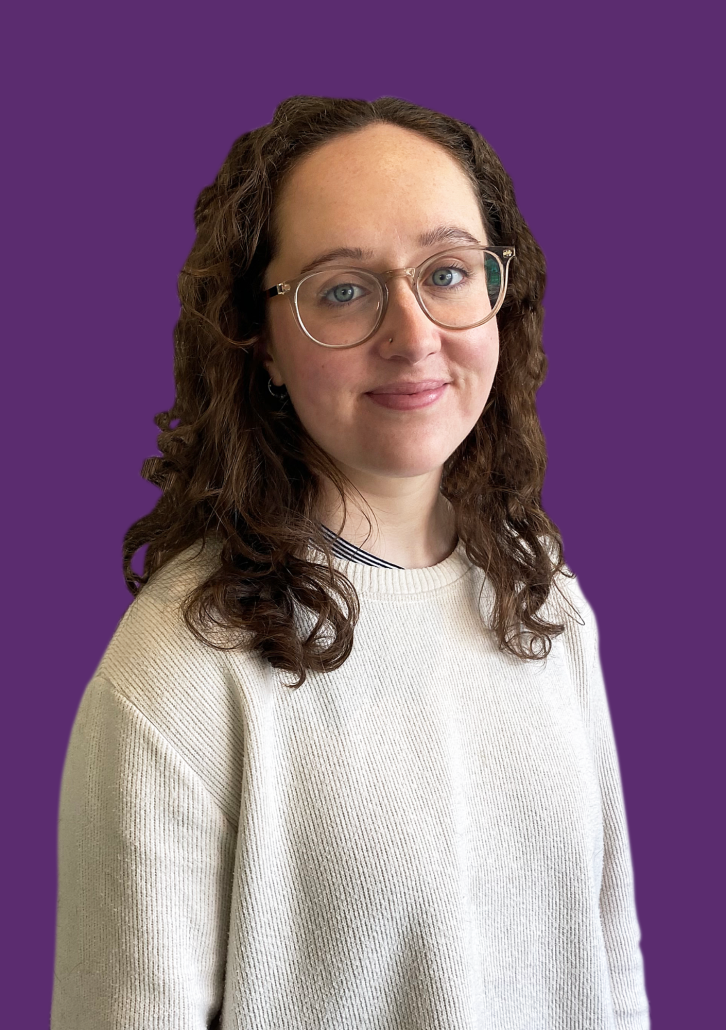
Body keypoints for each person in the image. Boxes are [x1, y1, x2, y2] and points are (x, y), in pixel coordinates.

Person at [51, 95, 650, 1029]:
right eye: (342, 290)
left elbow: (609, 965)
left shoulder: (542, 595)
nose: (413, 337)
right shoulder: (178, 677)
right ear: (259, 342)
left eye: (447, 273)